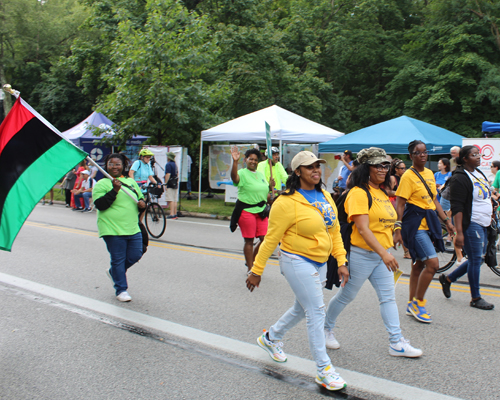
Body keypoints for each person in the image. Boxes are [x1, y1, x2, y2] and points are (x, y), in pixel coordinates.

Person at [246, 150, 349, 391]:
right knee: (316, 310)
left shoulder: (324, 195)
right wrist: (256, 269)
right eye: (310, 166)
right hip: (295, 259)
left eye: (317, 165)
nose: (316, 170)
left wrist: (341, 261)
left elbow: (333, 230)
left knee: (301, 308)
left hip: (320, 261)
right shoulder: (286, 201)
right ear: (298, 171)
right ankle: (324, 369)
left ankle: (270, 338)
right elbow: (271, 239)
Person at [324, 147, 422, 358]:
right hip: (363, 254)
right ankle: (325, 328)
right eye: (378, 165)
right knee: (347, 295)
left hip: (381, 255)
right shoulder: (358, 193)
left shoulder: (380, 192)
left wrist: (395, 230)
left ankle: (396, 342)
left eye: (385, 165)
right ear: (365, 168)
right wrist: (384, 254)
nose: (383, 169)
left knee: (388, 298)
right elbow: (363, 228)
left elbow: (386, 218)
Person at [393, 140, 454, 324]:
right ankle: (418, 303)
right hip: (415, 224)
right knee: (433, 264)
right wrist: (397, 229)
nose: (422, 155)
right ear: (411, 156)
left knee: (418, 265)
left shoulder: (429, 173)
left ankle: (411, 302)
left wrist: (446, 221)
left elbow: (434, 200)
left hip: (430, 222)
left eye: (425, 152)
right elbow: (401, 204)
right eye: (418, 153)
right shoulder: (407, 176)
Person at [439, 146, 494, 310]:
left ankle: (448, 279)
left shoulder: (479, 173)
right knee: (476, 259)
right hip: (472, 223)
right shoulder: (460, 177)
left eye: (479, 154)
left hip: (484, 223)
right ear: (464, 158)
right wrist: (459, 232)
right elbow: (457, 207)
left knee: (479, 259)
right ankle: (475, 298)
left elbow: (485, 196)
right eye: (474, 155)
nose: (478, 157)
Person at [93, 153, 147, 302]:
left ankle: (114, 272)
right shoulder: (102, 184)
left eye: (117, 164)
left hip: (132, 227)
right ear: (106, 165)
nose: (114, 167)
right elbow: (101, 205)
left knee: (136, 254)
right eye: (111, 164)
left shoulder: (130, 181)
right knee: (118, 259)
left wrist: (142, 204)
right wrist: (114, 190)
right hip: (112, 229)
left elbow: (140, 198)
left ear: (123, 165)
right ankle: (121, 289)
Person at [230, 146, 271, 271]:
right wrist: (235, 162)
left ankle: (251, 259)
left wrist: (271, 189)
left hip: (262, 211)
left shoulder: (261, 174)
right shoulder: (242, 173)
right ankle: (250, 268)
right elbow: (234, 178)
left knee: (265, 239)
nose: (253, 161)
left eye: (255, 160)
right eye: (251, 159)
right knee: (249, 241)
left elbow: (266, 194)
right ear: (246, 160)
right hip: (247, 211)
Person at [164, 152, 179, 219]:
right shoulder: (175, 164)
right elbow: (177, 173)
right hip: (175, 183)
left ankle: (171, 214)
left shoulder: (168, 164)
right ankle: (175, 213)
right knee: (175, 199)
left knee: (170, 199)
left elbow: (168, 174)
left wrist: (165, 183)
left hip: (170, 183)